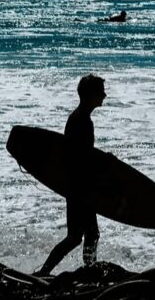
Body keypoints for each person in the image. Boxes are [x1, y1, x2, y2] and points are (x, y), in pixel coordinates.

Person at [37, 74, 106, 275]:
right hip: (79, 186)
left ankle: (51, 271)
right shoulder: (81, 120)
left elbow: (82, 154)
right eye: (101, 91)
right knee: (85, 235)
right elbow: (80, 157)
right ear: (91, 95)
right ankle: (87, 271)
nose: (104, 95)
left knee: (80, 236)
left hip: (76, 185)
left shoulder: (80, 118)